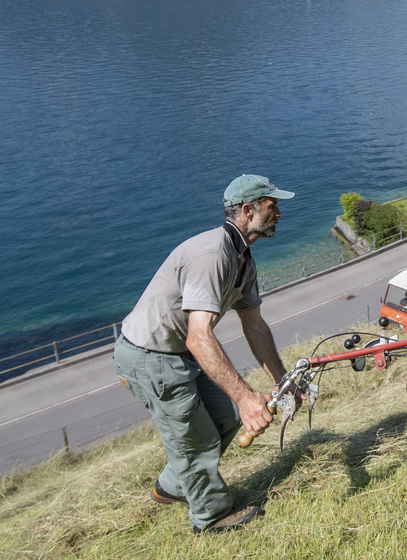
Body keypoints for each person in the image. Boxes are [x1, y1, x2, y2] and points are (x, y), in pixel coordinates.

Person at [113, 174, 298, 534]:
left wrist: (282, 381)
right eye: (273, 207)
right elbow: (199, 337)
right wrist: (246, 397)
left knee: (225, 417)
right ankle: (211, 516)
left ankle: (171, 487)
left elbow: (255, 327)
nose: (280, 215)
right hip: (149, 357)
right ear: (248, 210)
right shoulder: (214, 255)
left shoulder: (243, 259)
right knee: (195, 439)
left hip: (176, 352)